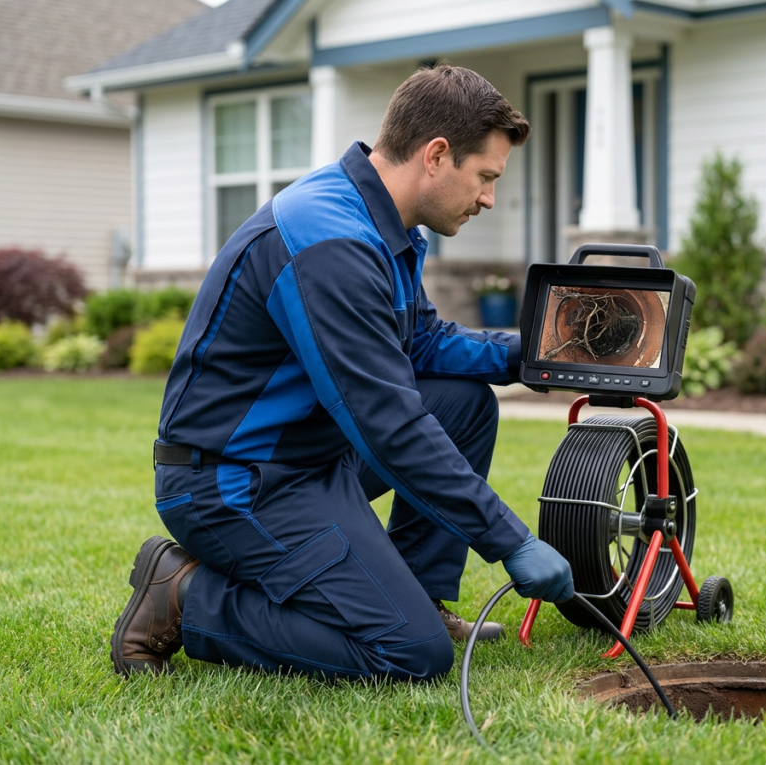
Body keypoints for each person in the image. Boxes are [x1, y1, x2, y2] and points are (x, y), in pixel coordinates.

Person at [110, 65, 574, 683]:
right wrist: (509, 540)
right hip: (232, 483)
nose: (489, 197)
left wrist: (530, 358)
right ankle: (185, 595)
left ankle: (422, 599)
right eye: (485, 177)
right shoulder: (329, 239)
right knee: (409, 655)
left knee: (462, 402)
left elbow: (421, 345)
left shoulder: (385, 223)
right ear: (437, 155)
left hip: (309, 458)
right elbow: (387, 420)